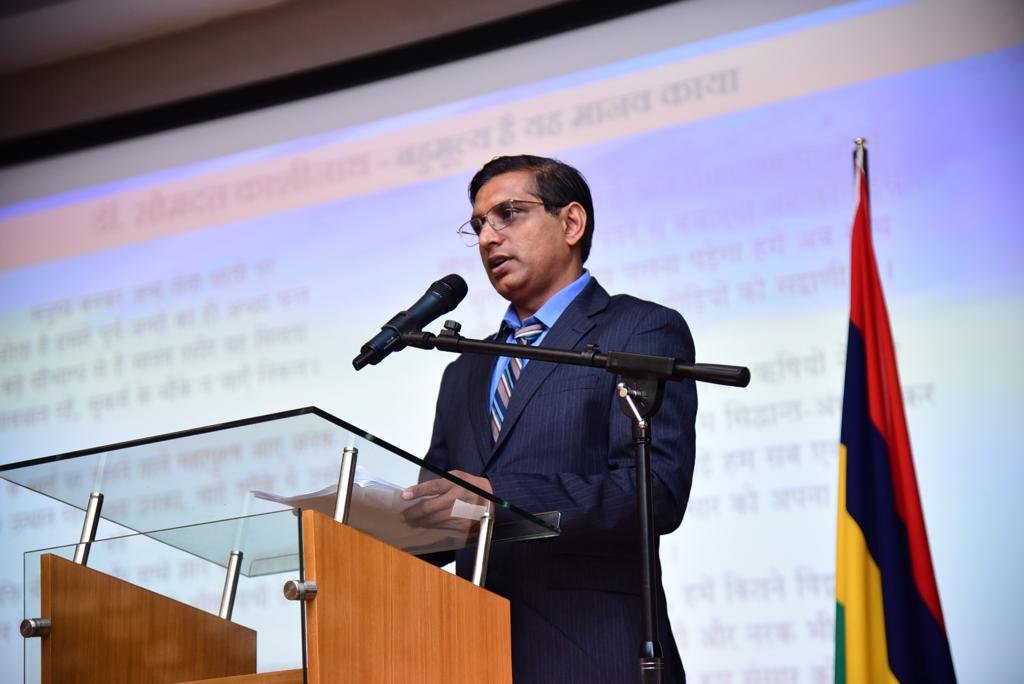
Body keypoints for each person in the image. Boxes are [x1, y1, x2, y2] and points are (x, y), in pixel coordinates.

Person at [402, 155, 697, 683]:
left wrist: (498, 499)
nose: (488, 238)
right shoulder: (464, 370)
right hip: (474, 658)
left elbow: (657, 491)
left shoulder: (639, 330)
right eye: (478, 225)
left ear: (571, 223)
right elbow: (439, 515)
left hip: (595, 657)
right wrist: (370, 522)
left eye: (508, 213)